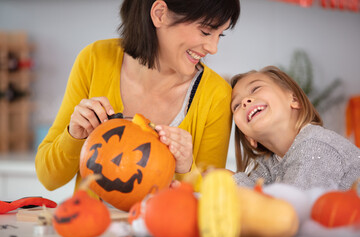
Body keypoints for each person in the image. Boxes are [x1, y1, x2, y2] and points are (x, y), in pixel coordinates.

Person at [35, 0, 241, 194]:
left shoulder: (216, 94)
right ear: (159, 13)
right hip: (93, 227)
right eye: (206, 31)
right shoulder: (94, 60)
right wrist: (74, 135)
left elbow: (211, 202)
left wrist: (187, 169)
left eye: (219, 35)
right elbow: (49, 178)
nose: (213, 49)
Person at [230, 65, 360, 190]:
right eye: (236, 106)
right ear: (249, 137)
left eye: (256, 88)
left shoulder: (316, 145)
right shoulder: (268, 165)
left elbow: (292, 208)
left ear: (294, 99)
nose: (245, 101)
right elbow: (252, 195)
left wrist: (232, 182)